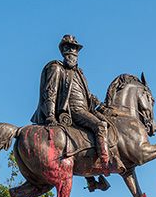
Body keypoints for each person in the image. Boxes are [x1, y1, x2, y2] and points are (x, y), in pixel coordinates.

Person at [31, 34, 112, 175]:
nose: (72, 53)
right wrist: (50, 115)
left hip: (86, 109)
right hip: (72, 110)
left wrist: (99, 104)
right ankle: (104, 163)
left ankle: (91, 178)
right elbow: (50, 91)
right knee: (100, 126)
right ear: (63, 51)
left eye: (74, 49)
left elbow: (86, 95)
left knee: (108, 123)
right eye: (68, 49)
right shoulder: (56, 67)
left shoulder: (79, 73)